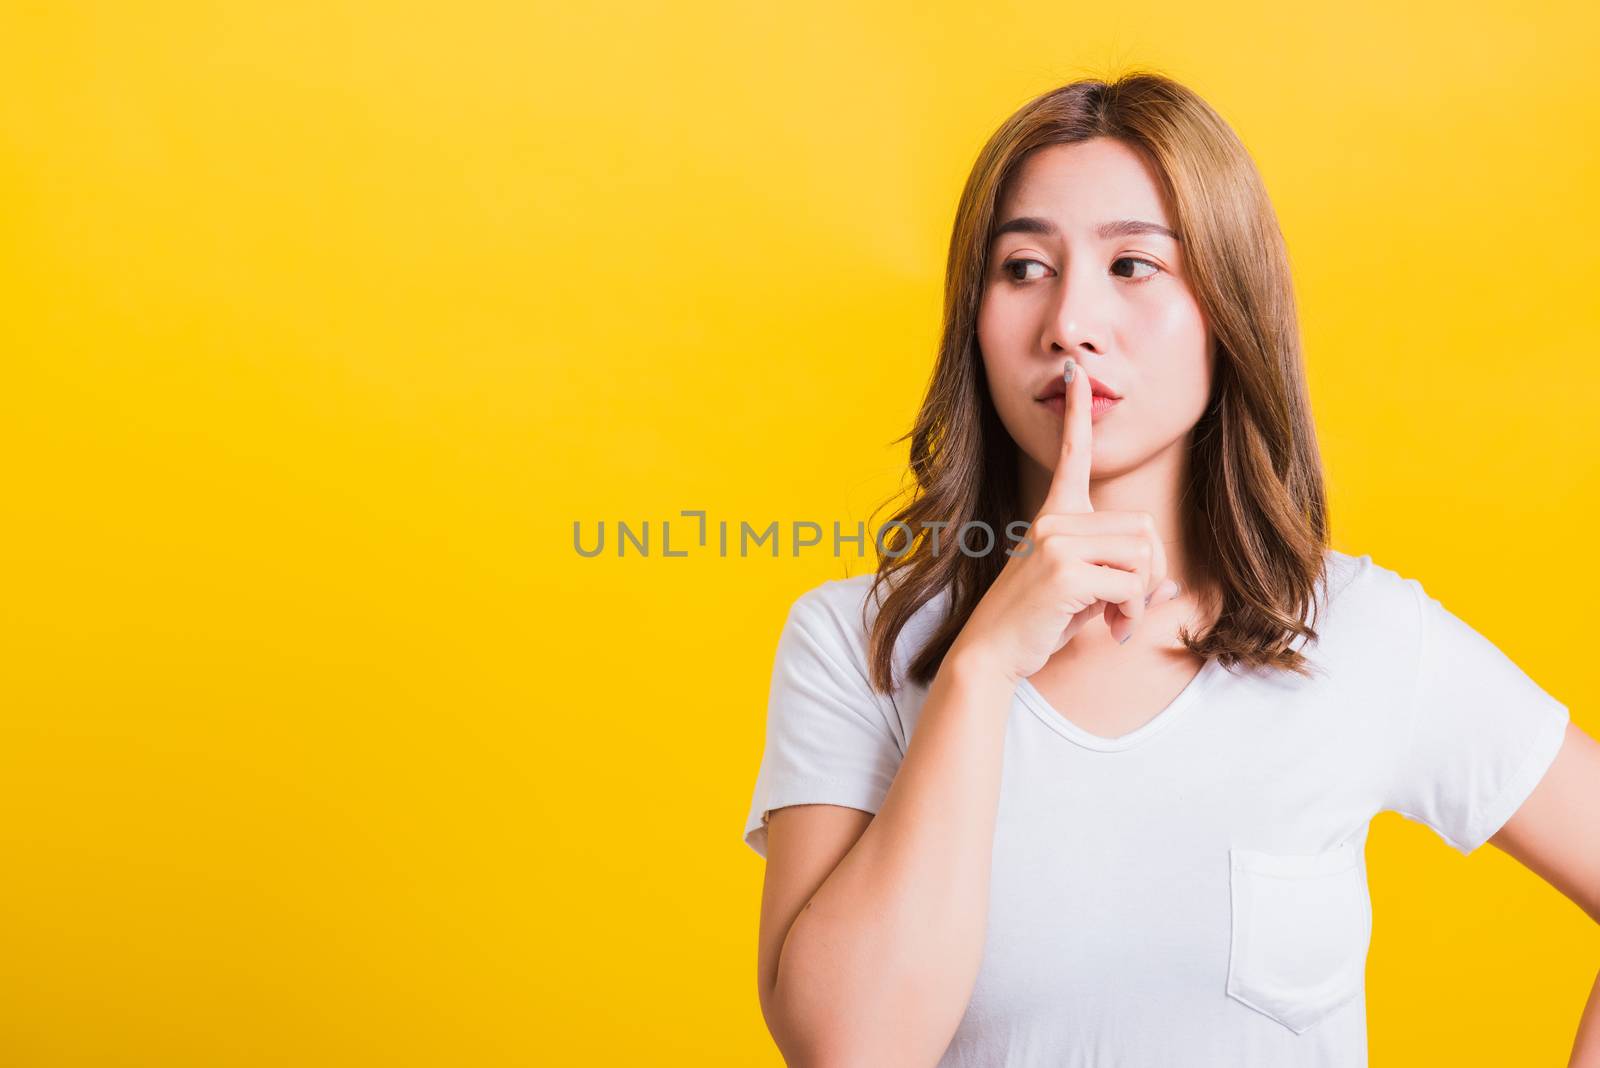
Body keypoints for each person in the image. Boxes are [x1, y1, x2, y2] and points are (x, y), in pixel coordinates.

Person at [741, 71, 1600, 1067]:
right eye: (1022, 268)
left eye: (1134, 267)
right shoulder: (857, 644)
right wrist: (979, 670)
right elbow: (848, 1051)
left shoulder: (1360, 633)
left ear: (1227, 309)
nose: (1070, 322)